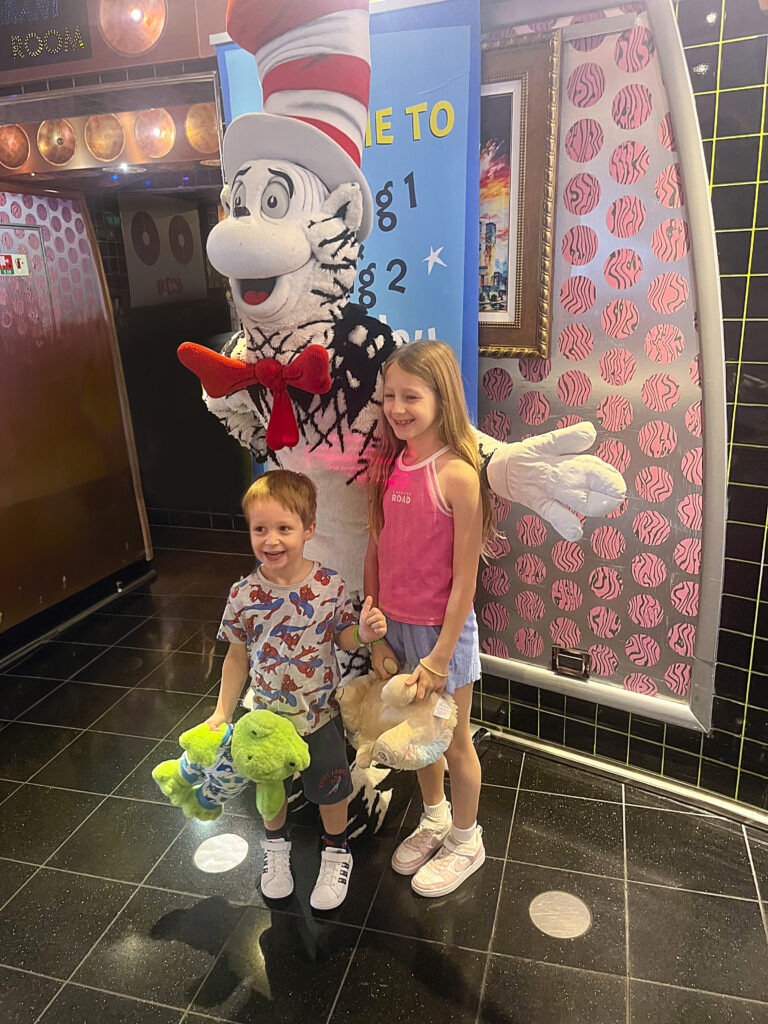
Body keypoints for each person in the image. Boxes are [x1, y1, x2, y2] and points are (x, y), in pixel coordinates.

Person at [209, 469, 387, 910]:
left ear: (309, 529)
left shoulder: (329, 586)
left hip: (319, 716)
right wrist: (222, 712)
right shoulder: (243, 595)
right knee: (270, 791)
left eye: (283, 528)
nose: (271, 540)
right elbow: (236, 657)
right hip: (265, 721)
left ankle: (335, 851)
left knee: (331, 788)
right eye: (260, 529)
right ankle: (275, 852)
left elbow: (342, 637)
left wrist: (363, 633)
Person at [364, 340, 494, 897]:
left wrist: (441, 657)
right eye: (389, 395)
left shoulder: (459, 475)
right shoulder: (391, 463)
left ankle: (466, 840)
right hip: (394, 626)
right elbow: (376, 548)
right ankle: (435, 817)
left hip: (443, 636)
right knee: (419, 737)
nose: (396, 407)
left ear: (442, 398)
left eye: (410, 396)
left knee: (455, 738)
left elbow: (465, 579)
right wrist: (373, 628)